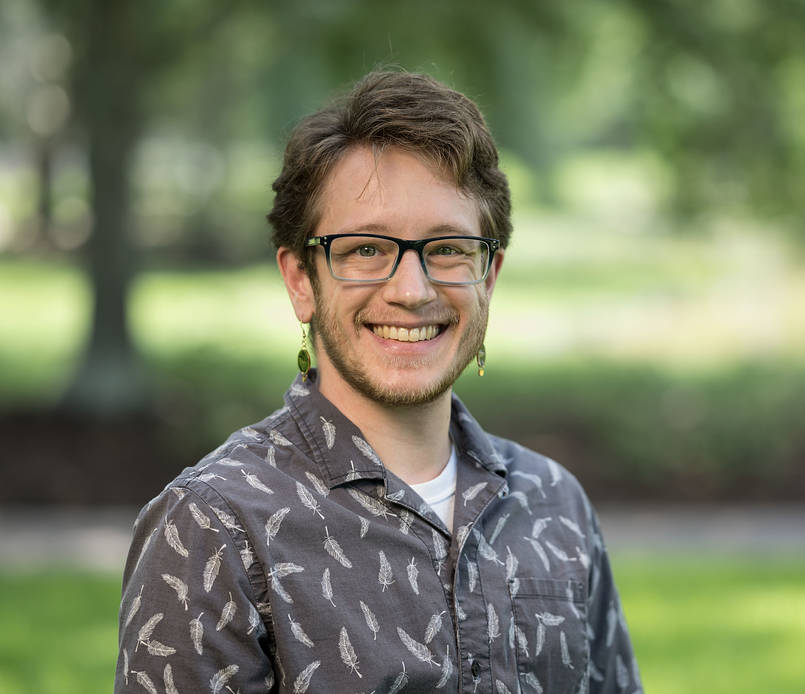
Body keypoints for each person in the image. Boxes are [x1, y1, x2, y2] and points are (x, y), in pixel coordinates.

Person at [115, 70, 642, 694]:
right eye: (365, 249)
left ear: (489, 276)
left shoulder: (555, 506)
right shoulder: (213, 526)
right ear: (301, 280)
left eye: (448, 248)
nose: (412, 290)